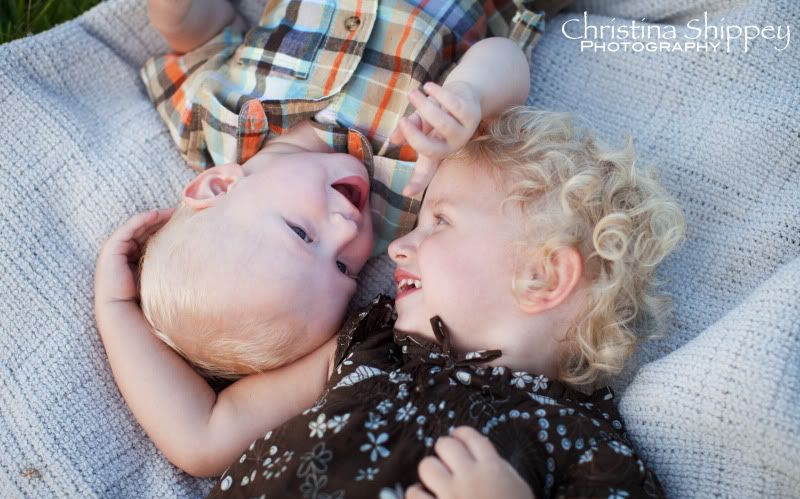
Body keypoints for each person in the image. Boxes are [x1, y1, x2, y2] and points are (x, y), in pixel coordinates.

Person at [95, 107, 684, 499]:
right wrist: (118, 311)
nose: (398, 247)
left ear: (542, 277)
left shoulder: (590, 451)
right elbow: (203, 434)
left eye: (440, 223)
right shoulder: (370, 343)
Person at [134, 0, 549, 380]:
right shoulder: (411, 193)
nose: (346, 231)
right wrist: (469, 95)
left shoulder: (214, 124)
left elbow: (202, 33)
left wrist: (174, 12)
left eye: (302, 234)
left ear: (218, 186)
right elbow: (507, 59)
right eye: (343, 268)